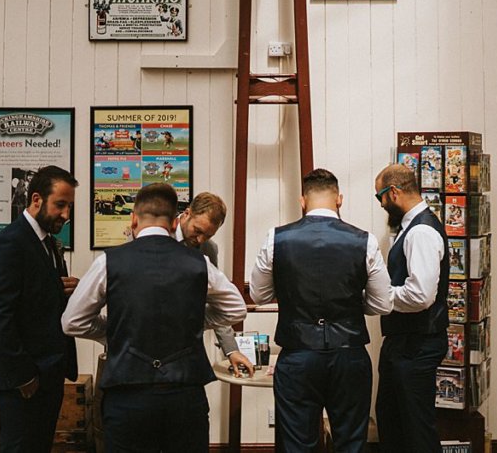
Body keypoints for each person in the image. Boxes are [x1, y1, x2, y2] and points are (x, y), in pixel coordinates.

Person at [62, 183, 246, 452]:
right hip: (184, 393)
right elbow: (236, 309)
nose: (201, 240)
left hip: (128, 392)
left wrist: (112, 331)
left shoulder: (109, 260)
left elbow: (72, 321)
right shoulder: (199, 263)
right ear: (176, 221)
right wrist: (189, 322)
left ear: (133, 219)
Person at [250, 169, 392, 452]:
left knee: (297, 445)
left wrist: (291, 293)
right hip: (349, 353)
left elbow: (259, 294)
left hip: (298, 353)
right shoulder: (364, 241)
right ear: (339, 199)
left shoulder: (275, 239)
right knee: (351, 442)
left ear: (302, 201)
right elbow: (382, 303)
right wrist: (351, 301)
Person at [0, 166, 80, 453]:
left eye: (69, 206)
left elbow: (35, 298)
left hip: (47, 372)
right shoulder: (10, 242)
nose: (66, 215)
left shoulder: (47, 243)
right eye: (60, 205)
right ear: (36, 199)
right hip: (23, 377)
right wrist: (23, 375)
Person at [373, 163, 449, 453]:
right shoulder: (413, 228)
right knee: (394, 422)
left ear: (393, 192)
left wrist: (379, 295)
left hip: (416, 345)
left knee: (415, 429)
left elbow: (420, 295)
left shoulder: (421, 233)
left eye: (379, 196)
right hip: (406, 343)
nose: (380, 204)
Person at [175, 192, 254, 378]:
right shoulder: (156, 235)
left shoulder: (209, 249)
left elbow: (215, 300)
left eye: (208, 235)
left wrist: (231, 350)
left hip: (185, 349)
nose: (200, 240)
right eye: (198, 231)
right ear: (187, 213)